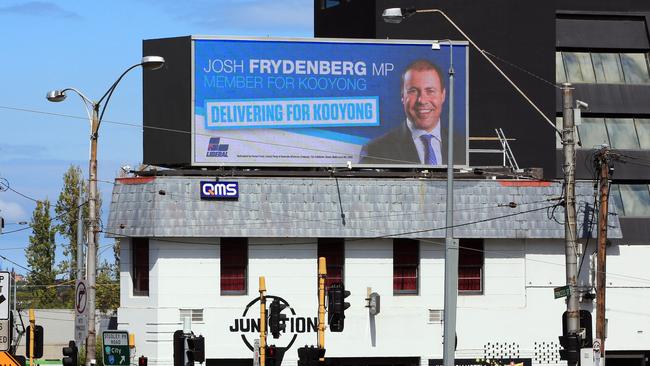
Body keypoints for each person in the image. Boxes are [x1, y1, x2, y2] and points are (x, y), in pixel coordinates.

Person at [360, 59, 465, 165]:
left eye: (430, 91)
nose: (422, 100)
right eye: (413, 91)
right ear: (402, 96)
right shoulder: (375, 150)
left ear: (443, 95)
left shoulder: (463, 147)